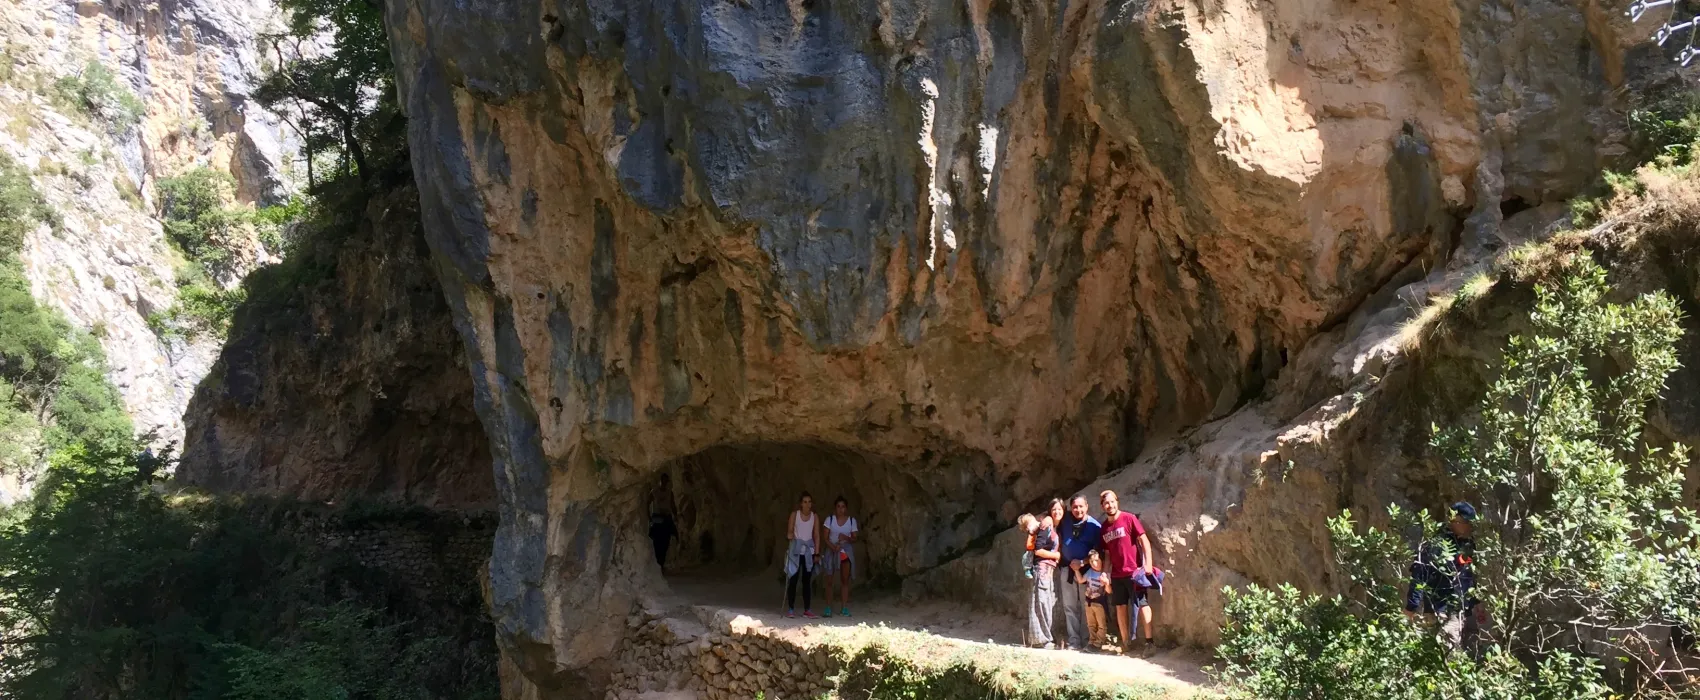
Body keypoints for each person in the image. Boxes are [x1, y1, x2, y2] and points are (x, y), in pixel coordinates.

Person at [1405, 501, 1483, 652]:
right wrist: (1411, 607)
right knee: (1449, 653)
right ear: (1456, 521)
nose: (1471, 527)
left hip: (1462, 610)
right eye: (1467, 523)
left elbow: (1467, 575)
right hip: (1441, 609)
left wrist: (1475, 601)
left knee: (1458, 651)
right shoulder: (1437, 545)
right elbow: (1419, 574)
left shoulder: (1468, 544)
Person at [1099, 489, 1156, 657]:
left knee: (1142, 604)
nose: (1110, 505)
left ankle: (1150, 643)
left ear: (1117, 501)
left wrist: (1148, 564)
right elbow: (1108, 554)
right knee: (1120, 607)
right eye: (1106, 503)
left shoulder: (1129, 518)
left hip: (1134, 572)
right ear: (1102, 506)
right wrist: (1105, 572)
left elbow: (1144, 540)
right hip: (1116, 575)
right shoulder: (1104, 528)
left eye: (1112, 501)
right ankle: (1126, 643)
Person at [1057, 495, 1101, 651]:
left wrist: (1082, 562)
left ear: (1087, 506)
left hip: (1086, 571)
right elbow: (1052, 515)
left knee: (1086, 606)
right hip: (1067, 569)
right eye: (1075, 507)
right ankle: (1074, 640)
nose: (1078, 510)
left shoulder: (1095, 527)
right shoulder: (1066, 520)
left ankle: (1088, 639)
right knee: (1069, 606)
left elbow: (1099, 553)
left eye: (1081, 506)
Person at [1024, 505, 1061, 649]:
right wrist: (1055, 555)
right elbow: (1038, 550)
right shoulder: (1045, 526)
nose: (1057, 512)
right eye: (1054, 510)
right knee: (1041, 603)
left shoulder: (1049, 525)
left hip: (1046, 570)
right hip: (1042, 569)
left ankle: (1043, 638)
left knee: (1045, 602)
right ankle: (1041, 640)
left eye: (1060, 509)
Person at [784, 492, 821, 619]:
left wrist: (817, 552)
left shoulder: (814, 517)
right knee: (793, 579)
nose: (807, 504)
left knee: (807, 581)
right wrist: (792, 537)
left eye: (809, 502)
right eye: (805, 502)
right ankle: (790, 608)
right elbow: (789, 532)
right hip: (796, 550)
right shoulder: (795, 515)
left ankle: (807, 609)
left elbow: (816, 535)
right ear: (801, 503)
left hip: (808, 552)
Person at [821, 496, 859, 618]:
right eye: (838, 506)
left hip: (844, 552)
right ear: (835, 508)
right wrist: (833, 547)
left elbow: (854, 538)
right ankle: (828, 607)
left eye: (843, 506)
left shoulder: (852, 521)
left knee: (844, 580)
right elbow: (825, 538)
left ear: (846, 508)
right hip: (832, 550)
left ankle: (844, 608)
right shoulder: (830, 520)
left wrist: (845, 538)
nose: (841, 509)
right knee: (829, 580)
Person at [1083, 550, 1110, 650]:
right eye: (1091, 561)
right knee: (1091, 623)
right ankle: (1092, 641)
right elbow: (1082, 580)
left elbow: (1109, 591)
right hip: (1089, 601)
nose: (1094, 563)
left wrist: (1106, 583)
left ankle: (1098, 643)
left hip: (1099, 602)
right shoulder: (1090, 572)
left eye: (1097, 560)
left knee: (1101, 624)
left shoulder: (1105, 574)